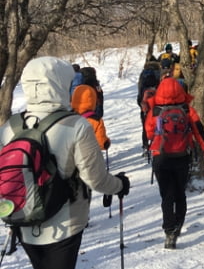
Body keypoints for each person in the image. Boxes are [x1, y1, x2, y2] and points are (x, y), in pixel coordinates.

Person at [0, 56, 130, 269]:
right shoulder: (76, 126)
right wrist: (120, 185)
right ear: (60, 84)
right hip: (65, 224)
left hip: (23, 218)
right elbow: (95, 179)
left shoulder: (10, 127)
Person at [144, 77, 204, 250]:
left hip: (161, 157)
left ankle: (169, 232)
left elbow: (148, 133)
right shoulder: (187, 110)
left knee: (166, 195)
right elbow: (199, 132)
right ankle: (178, 224)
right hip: (183, 156)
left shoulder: (154, 111)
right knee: (180, 193)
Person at [71, 84, 111, 151]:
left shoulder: (68, 117)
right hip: (88, 157)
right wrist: (106, 143)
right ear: (93, 101)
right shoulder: (96, 121)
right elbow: (101, 142)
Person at [137, 60, 161, 154]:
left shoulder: (143, 74)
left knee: (145, 125)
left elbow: (140, 90)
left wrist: (141, 103)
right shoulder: (159, 73)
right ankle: (157, 144)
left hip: (144, 102)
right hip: (156, 104)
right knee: (157, 124)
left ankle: (146, 146)